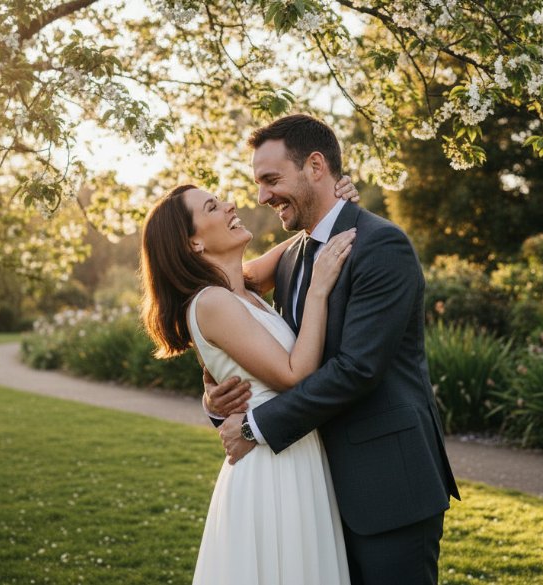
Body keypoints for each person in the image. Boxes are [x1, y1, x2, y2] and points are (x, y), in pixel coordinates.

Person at [206, 114, 460, 585]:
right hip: (314, 494)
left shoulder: (380, 245)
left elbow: (357, 369)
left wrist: (255, 428)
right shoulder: (291, 257)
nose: (261, 196)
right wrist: (216, 397)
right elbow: (233, 316)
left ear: (316, 166)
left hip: (388, 488)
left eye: (271, 179)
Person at [140, 178, 360, 584]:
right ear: (193, 244)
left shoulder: (242, 287)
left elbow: (307, 240)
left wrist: (333, 201)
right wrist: (317, 291)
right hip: (272, 469)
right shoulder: (212, 302)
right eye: (212, 207)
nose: (229, 205)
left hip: (293, 454)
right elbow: (294, 375)